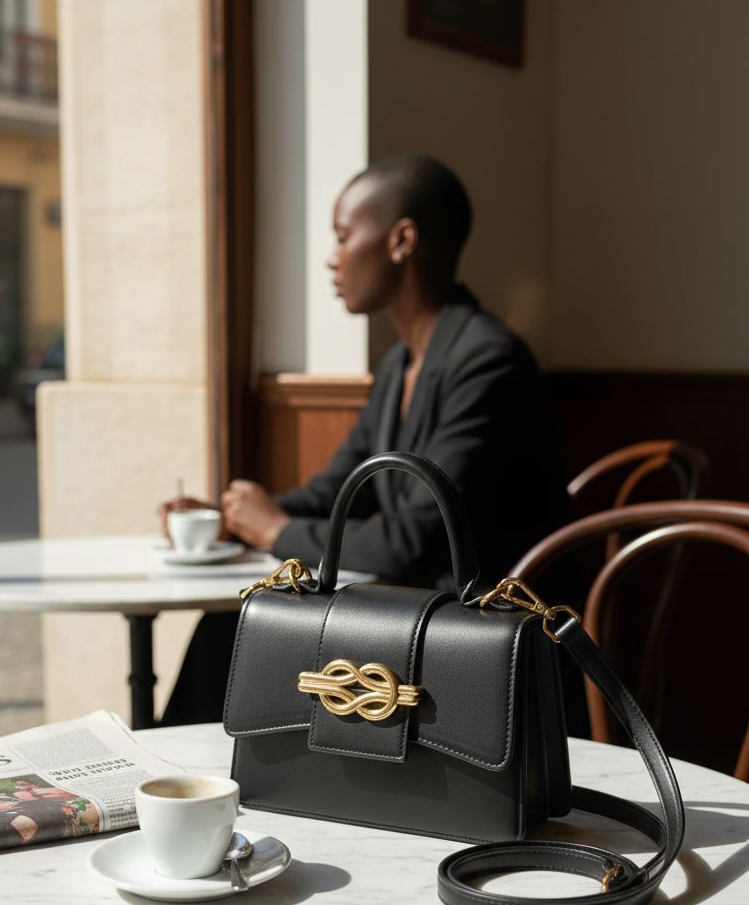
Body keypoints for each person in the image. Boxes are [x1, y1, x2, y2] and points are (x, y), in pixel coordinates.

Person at [162, 153, 574, 725]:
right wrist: (232, 514)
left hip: (479, 643)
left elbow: (414, 542)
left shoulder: (488, 361)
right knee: (230, 624)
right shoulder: (397, 365)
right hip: (419, 613)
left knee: (234, 628)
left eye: (343, 235)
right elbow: (339, 488)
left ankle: (194, 786)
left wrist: (275, 530)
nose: (332, 258)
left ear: (401, 240)